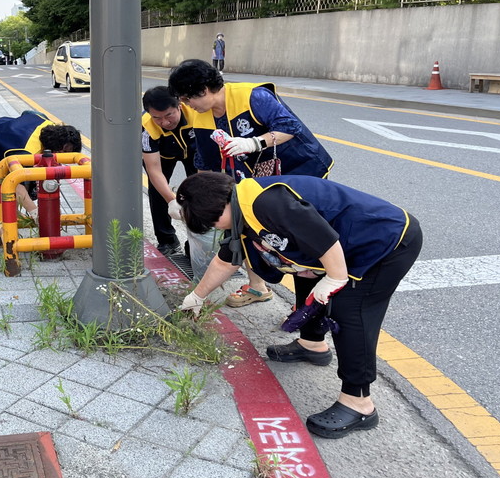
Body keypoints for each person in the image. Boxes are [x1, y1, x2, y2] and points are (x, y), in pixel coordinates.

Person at [176, 171, 423, 439]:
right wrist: (197, 297)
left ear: (221, 205)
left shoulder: (267, 203)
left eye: (212, 221)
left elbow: (325, 239)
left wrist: (336, 277)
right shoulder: (241, 213)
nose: (216, 228)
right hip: (344, 247)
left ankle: (359, 402)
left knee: (351, 311)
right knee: (307, 277)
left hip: (386, 242)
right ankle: (312, 344)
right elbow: (226, 260)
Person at [168, 59, 333, 308]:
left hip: (299, 172)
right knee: (248, 230)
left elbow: (290, 126)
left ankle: (312, 302)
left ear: (203, 89)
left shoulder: (253, 96)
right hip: (259, 183)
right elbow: (204, 163)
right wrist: (189, 199)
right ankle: (258, 288)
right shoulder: (202, 117)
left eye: (186, 98)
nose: (186, 105)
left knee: (303, 239)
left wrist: (255, 143)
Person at [0, 112, 81, 220]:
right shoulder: (28, 151)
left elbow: (28, 113)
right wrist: (35, 212)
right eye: (64, 151)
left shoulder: (50, 127)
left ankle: (9, 213)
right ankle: (4, 217)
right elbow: (14, 181)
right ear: (57, 144)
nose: (63, 155)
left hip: (0, 131)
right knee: (10, 179)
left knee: (28, 178)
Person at [141, 86, 197, 256]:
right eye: (157, 117)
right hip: (162, 156)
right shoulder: (146, 126)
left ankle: (195, 243)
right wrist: (172, 200)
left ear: (179, 105)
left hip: (195, 152)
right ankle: (167, 240)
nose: (164, 122)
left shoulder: (196, 114)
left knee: (200, 192)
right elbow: (154, 170)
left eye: (169, 115)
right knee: (158, 192)